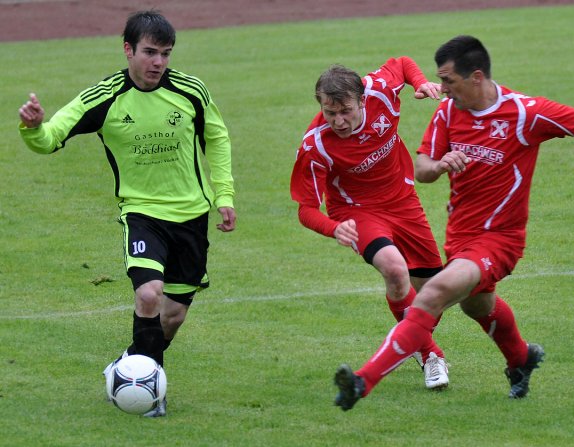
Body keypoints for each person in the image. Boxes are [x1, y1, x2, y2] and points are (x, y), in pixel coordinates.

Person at [333, 35, 574, 411]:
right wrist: (441, 165)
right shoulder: (448, 112)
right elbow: (423, 168)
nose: (443, 89)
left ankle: (362, 382)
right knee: (477, 306)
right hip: (459, 237)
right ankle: (521, 359)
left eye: (448, 81)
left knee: (433, 293)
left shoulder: (526, 113)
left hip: (500, 239)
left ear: (476, 76)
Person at [17, 10, 236, 417]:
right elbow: (51, 139)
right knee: (149, 293)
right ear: (128, 50)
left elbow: (217, 137)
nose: (158, 62)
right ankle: (152, 394)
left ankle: (129, 363)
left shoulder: (191, 91)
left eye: (166, 54)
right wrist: (33, 127)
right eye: (150, 52)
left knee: (172, 317)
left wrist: (224, 194)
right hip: (142, 214)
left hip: (191, 216)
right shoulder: (104, 97)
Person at [290, 57, 449, 395]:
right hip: (357, 212)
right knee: (394, 270)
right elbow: (306, 209)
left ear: (362, 100)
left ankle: (412, 338)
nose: (338, 121)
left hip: (403, 200)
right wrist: (333, 228)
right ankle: (431, 355)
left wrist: (420, 82)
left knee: (432, 295)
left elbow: (401, 63)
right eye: (330, 113)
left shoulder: (379, 90)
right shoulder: (316, 144)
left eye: (345, 111)